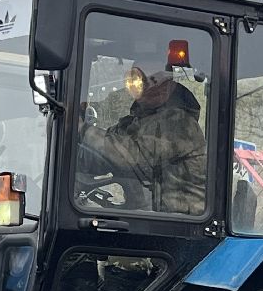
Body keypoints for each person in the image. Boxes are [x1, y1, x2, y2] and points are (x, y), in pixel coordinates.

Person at [78, 61, 205, 215]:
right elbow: (100, 157)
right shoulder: (135, 123)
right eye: (139, 81)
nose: (150, 86)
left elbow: (132, 156)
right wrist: (74, 148)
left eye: (156, 80)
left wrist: (82, 130)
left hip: (181, 224)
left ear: (170, 84)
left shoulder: (179, 122)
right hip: (147, 216)